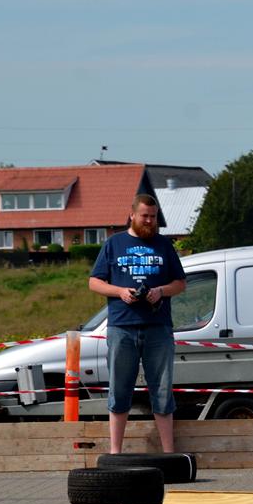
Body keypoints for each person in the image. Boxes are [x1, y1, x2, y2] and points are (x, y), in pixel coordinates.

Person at [89, 194, 187, 455]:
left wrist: (161, 291)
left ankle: (169, 453)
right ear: (132, 215)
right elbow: (94, 282)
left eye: (153, 217)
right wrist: (120, 292)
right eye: (145, 216)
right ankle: (115, 452)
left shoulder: (164, 245)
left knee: (162, 388)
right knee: (120, 388)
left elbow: (180, 283)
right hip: (122, 326)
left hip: (158, 327)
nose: (149, 221)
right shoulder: (113, 244)